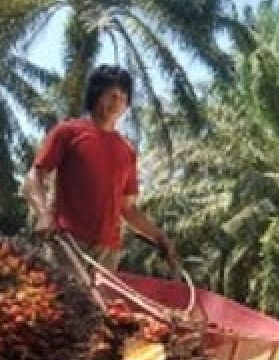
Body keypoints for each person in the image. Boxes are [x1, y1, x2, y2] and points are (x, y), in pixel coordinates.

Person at [22, 65, 178, 272]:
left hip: (108, 253)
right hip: (67, 243)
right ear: (96, 95)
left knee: (100, 305)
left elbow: (127, 209)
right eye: (112, 95)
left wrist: (158, 236)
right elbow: (33, 178)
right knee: (62, 300)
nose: (117, 102)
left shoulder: (127, 150)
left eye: (123, 97)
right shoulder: (69, 132)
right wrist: (43, 214)